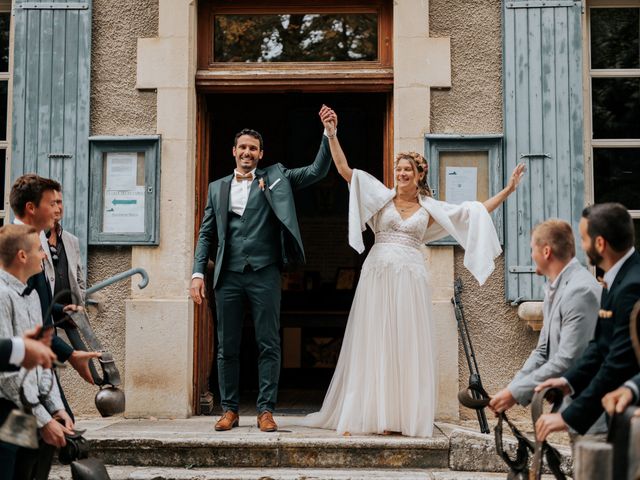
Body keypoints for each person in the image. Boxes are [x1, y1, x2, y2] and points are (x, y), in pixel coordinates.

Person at [302, 107, 525, 437]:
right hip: (379, 273)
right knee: (376, 339)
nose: (401, 173)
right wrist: (331, 133)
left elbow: (472, 212)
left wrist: (506, 192)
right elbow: (345, 170)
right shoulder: (380, 198)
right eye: (398, 169)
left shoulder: (430, 210)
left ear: (419, 175)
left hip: (411, 276)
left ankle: (402, 417)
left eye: (408, 170)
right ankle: (372, 413)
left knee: (406, 342)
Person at [190, 106, 334, 432]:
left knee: (268, 343)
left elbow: (315, 172)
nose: (247, 152)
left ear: (260, 154)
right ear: (234, 151)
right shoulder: (217, 188)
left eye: (253, 148)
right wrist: (198, 273)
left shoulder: (277, 177)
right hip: (226, 275)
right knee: (227, 346)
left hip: (265, 273)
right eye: (242, 147)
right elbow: (207, 233)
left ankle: (266, 410)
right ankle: (228, 410)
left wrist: (328, 134)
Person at [489, 219, 605, 436]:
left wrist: (514, 393)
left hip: (594, 413)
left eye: (532, 249)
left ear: (546, 251)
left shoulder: (580, 291)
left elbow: (568, 359)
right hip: (574, 407)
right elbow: (542, 351)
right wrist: (511, 389)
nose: (531, 255)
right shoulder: (556, 287)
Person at [535, 203, 640, 441]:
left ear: (600, 244)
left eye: (584, 239)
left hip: (630, 411)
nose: (581, 247)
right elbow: (599, 346)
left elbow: (618, 363)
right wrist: (568, 381)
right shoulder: (613, 279)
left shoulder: (632, 286)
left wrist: (568, 416)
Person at [9, 174, 100, 422]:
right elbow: (28, 319)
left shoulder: (31, 243)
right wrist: (69, 354)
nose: (58, 209)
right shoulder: (17, 250)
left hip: (37, 373)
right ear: (31, 208)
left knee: (55, 442)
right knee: (22, 449)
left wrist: (69, 354)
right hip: (18, 385)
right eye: (51, 203)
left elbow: (39, 308)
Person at [0, 224, 74, 480]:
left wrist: (56, 407)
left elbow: (44, 359)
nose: (44, 255)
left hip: (31, 406)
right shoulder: (2, 296)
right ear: (22, 256)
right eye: (38, 250)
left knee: (33, 469)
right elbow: (6, 375)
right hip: (8, 412)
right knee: (11, 466)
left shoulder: (32, 296)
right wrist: (44, 420)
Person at [45, 189, 86, 307]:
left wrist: (79, 304)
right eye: (52, 203)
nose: (58, 207)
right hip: (46, 317)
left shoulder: (72, 240)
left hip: (71, 316)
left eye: (60, 202)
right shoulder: (35, 238)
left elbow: (79, 279)